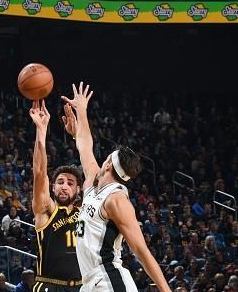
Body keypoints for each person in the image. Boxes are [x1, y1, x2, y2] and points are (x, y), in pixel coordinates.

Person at [61, 82, 171, 292]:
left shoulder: (116, 200)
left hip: (109, 280)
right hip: (91, 283)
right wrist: (81, 111)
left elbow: (141, 251)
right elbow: (85, 144)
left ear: (109, 163)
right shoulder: (93, 183)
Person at [29, 100, 82, 291]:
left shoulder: (86, 212)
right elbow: (39, 172)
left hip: (81, 286)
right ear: (52, 188)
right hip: (50, 285)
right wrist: (41, 130)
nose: (64, 187)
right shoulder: (47, 210)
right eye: (60, 182)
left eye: (70, 183)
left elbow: (96, 174)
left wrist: (78, 135)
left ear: (78, 190)